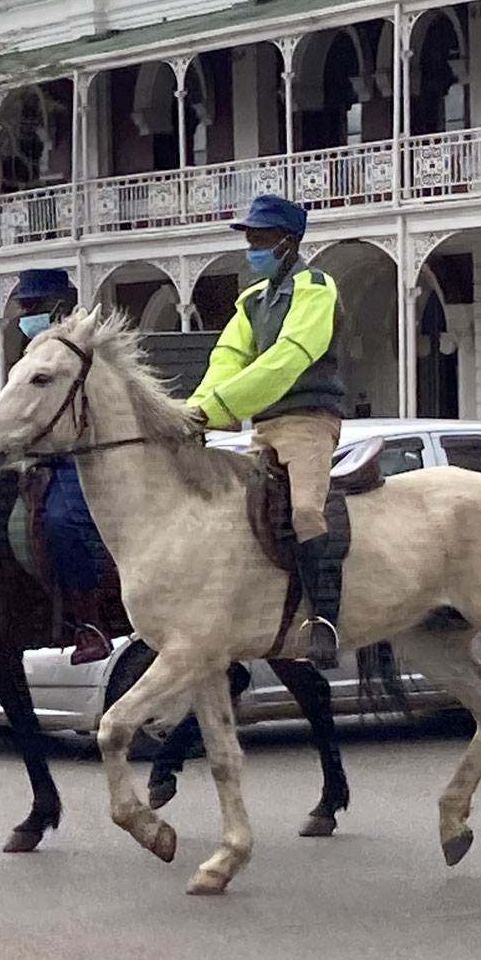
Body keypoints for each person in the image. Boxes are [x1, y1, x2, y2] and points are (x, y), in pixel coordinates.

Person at [186, 194, 348, 668]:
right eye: (249, 238)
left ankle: (325, 622)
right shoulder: (250, 300)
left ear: (289, 242)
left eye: (261, 239)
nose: (251, 248)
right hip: (264, 426)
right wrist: (197, 410)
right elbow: (227, 359)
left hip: (310, 420)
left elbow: (287, 359)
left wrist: (215, 408)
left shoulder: (317, 289)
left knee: (305, 514)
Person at [11, 269, 113, 665]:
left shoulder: (86, 345)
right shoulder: (33, 350)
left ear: (59, 305)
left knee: (60, 521)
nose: (25, 314)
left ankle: (90, 624)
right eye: (23, 307)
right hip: (36, 456)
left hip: (81, 454)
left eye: (32, 306)